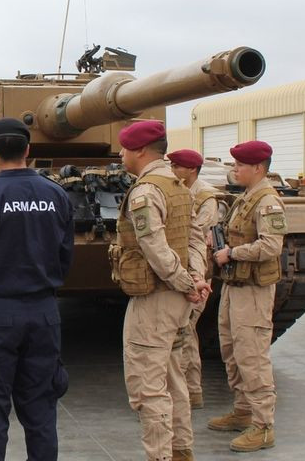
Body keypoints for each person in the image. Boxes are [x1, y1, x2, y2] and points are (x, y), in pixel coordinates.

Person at [0, 118, 75, 461]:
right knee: (40, 410)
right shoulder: (56, 195)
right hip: (43, 312)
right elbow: (65, 258)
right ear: (28, 151)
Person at [111, 121, 210, 461]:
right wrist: (195, 279)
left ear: (140, 150)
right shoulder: (178, 185)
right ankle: (181, 451)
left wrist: (185, 282)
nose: (121, 154)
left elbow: (154, 247)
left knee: (148, 388)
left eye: (125, 149)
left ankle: (160, 456)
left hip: (156, 299)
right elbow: (197, 238)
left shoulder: (146, 191)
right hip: (179, 298)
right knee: (173, 380)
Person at [207, 140, 284, 453]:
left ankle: (263, 426)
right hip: (234, 286)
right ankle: (243, 411)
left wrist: (232, 252)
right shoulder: (246, 198)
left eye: (239, 165)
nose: (234, 169)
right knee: (232, 349)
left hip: (252, 290)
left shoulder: (267, 201)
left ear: (258, 168)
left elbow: (271, 247)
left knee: (252, 355)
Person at [167, 149, 221, 410]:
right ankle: (190, 392)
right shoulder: (175, 189)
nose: (172, 169)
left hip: (195, 272)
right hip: (180, 272)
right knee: (184, 332)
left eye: (177, 166)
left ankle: (187, 394)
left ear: (191, 170)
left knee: (185, 332)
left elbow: (193, 235)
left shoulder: (205, 197)